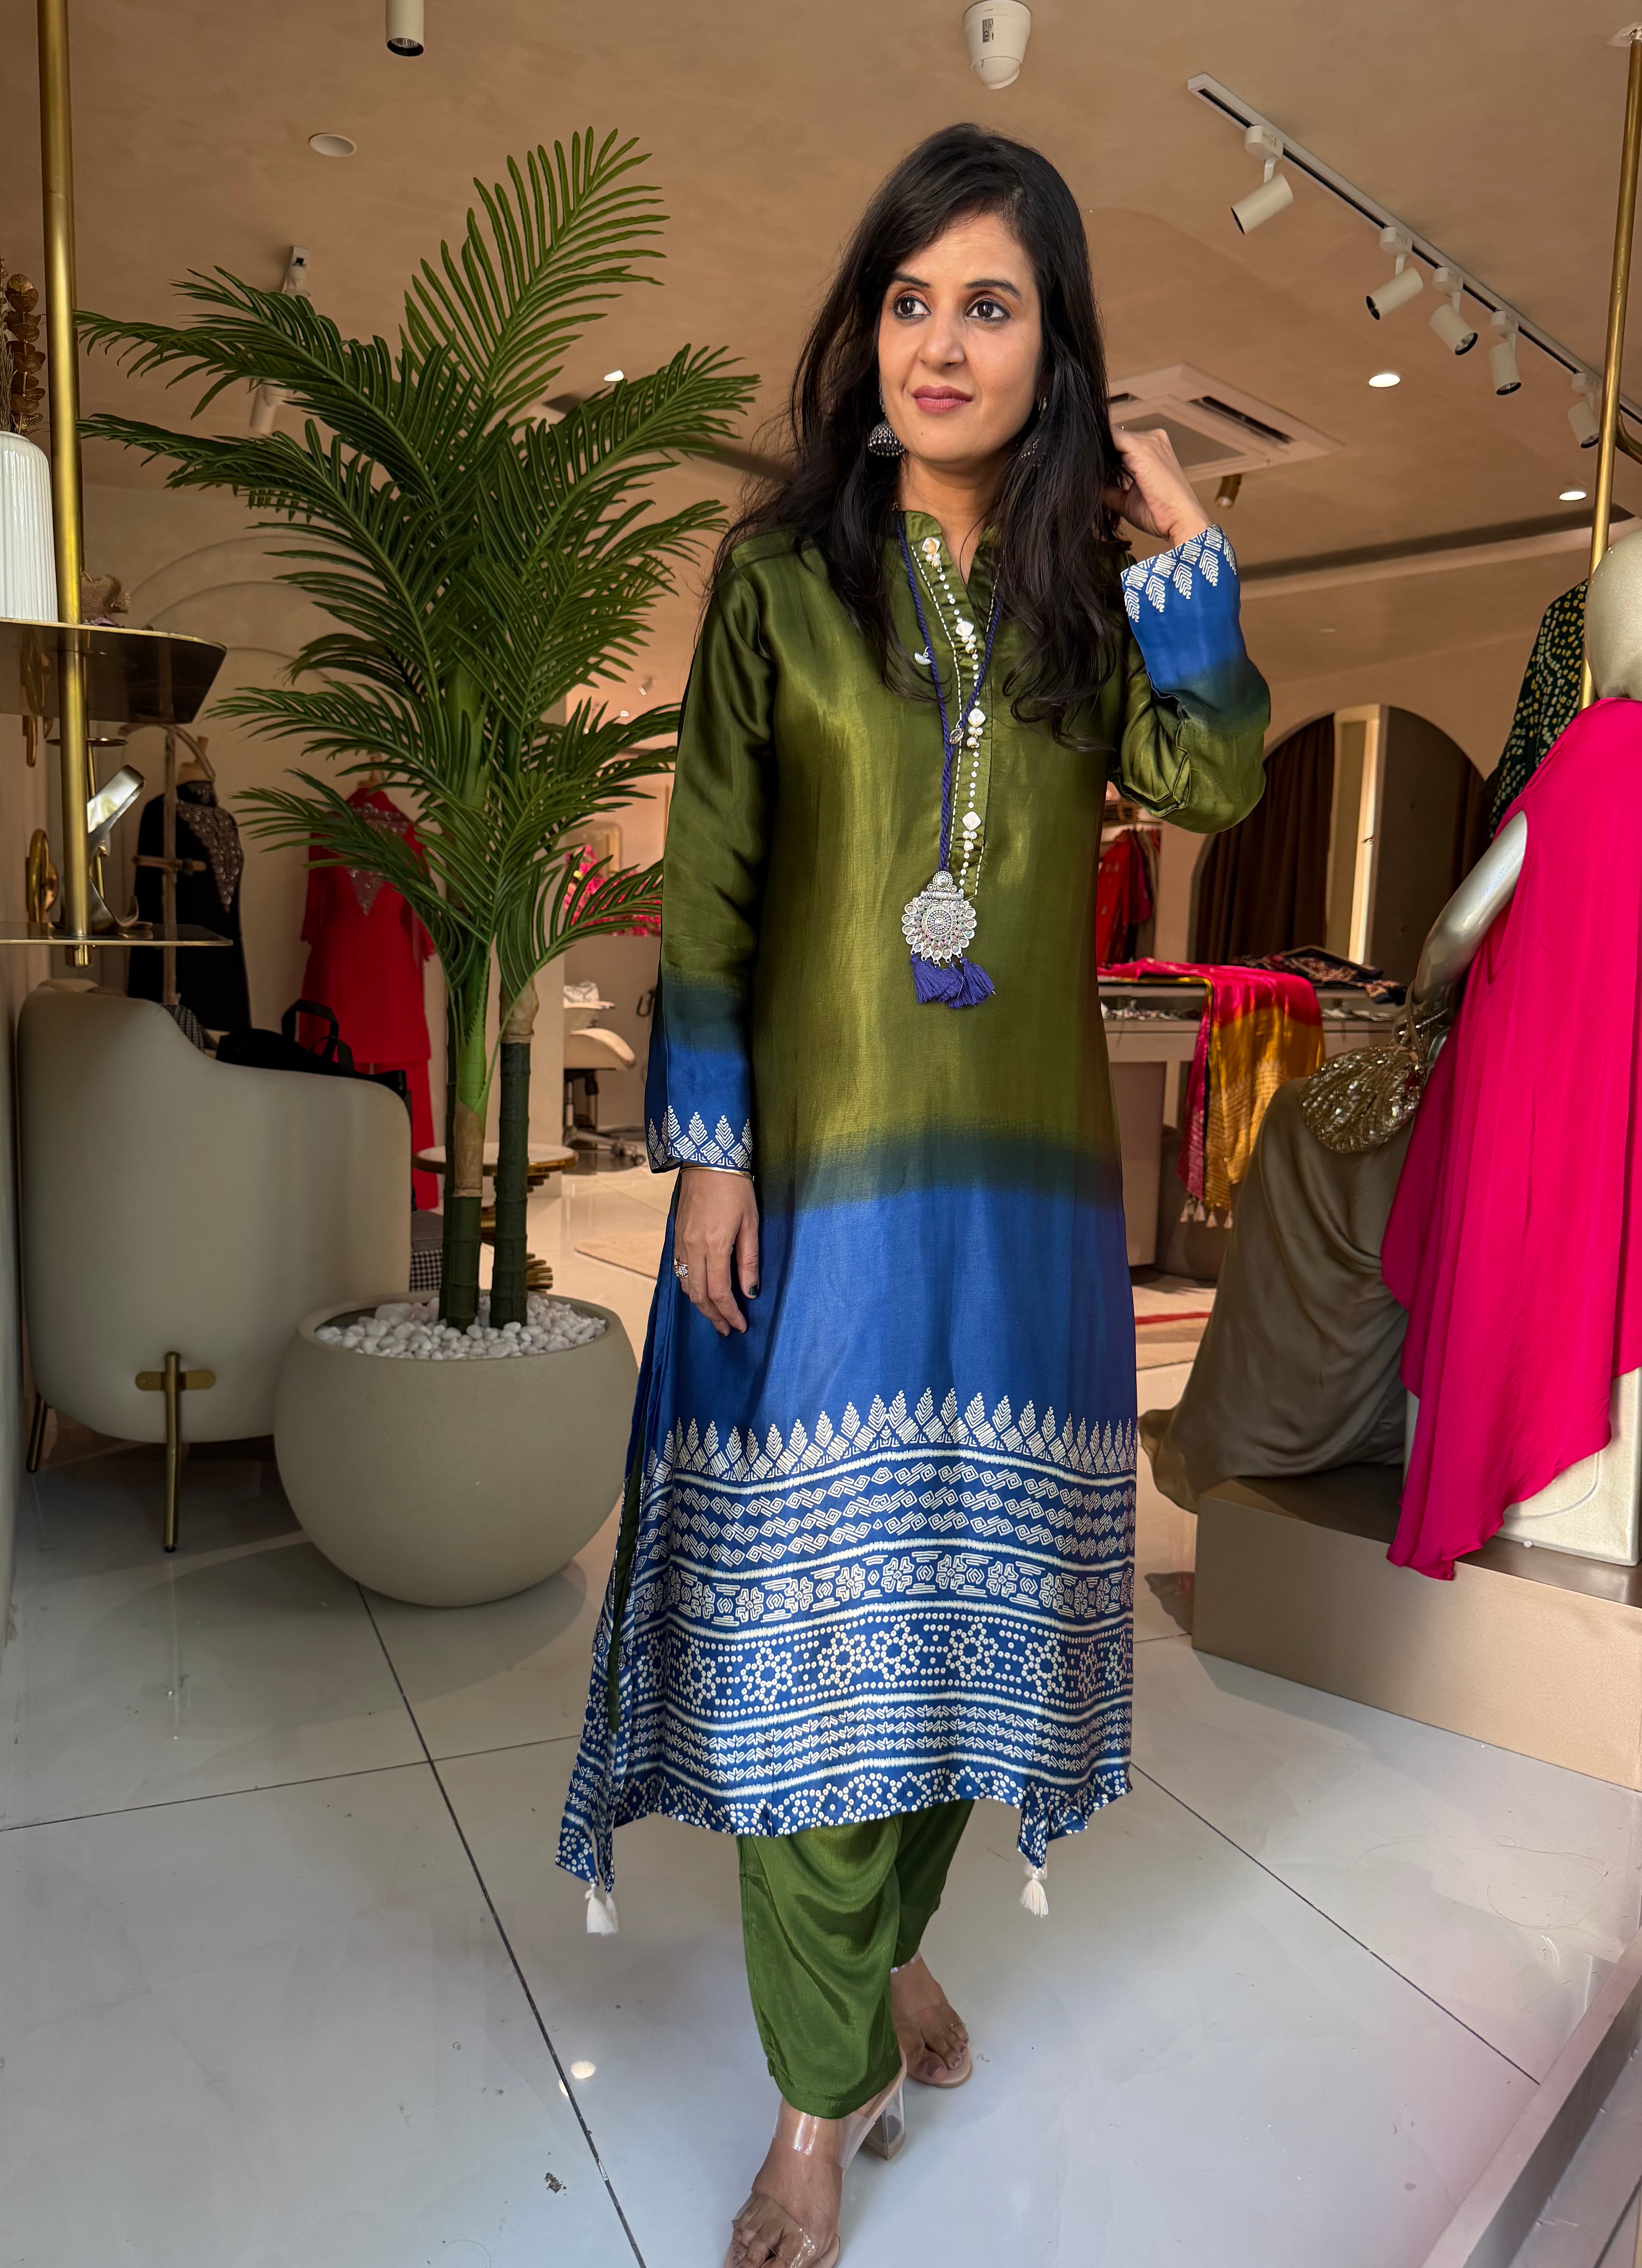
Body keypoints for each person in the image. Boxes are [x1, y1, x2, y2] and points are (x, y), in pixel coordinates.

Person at [558, 122, 1270, 2268]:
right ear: (863, 327)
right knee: (810, 1656)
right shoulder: (784, 580)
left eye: (991, 305)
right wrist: (707, 1155)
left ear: (1055, 352)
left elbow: (1210, 773)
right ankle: (814, 2099)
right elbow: (710, 888)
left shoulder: (1080, 606)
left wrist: (1187, 557)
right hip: (828, 1197)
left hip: (1027, 1212)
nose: (940, 342)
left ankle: (886, 1960)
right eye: (908, 298)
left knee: (974, 1633)